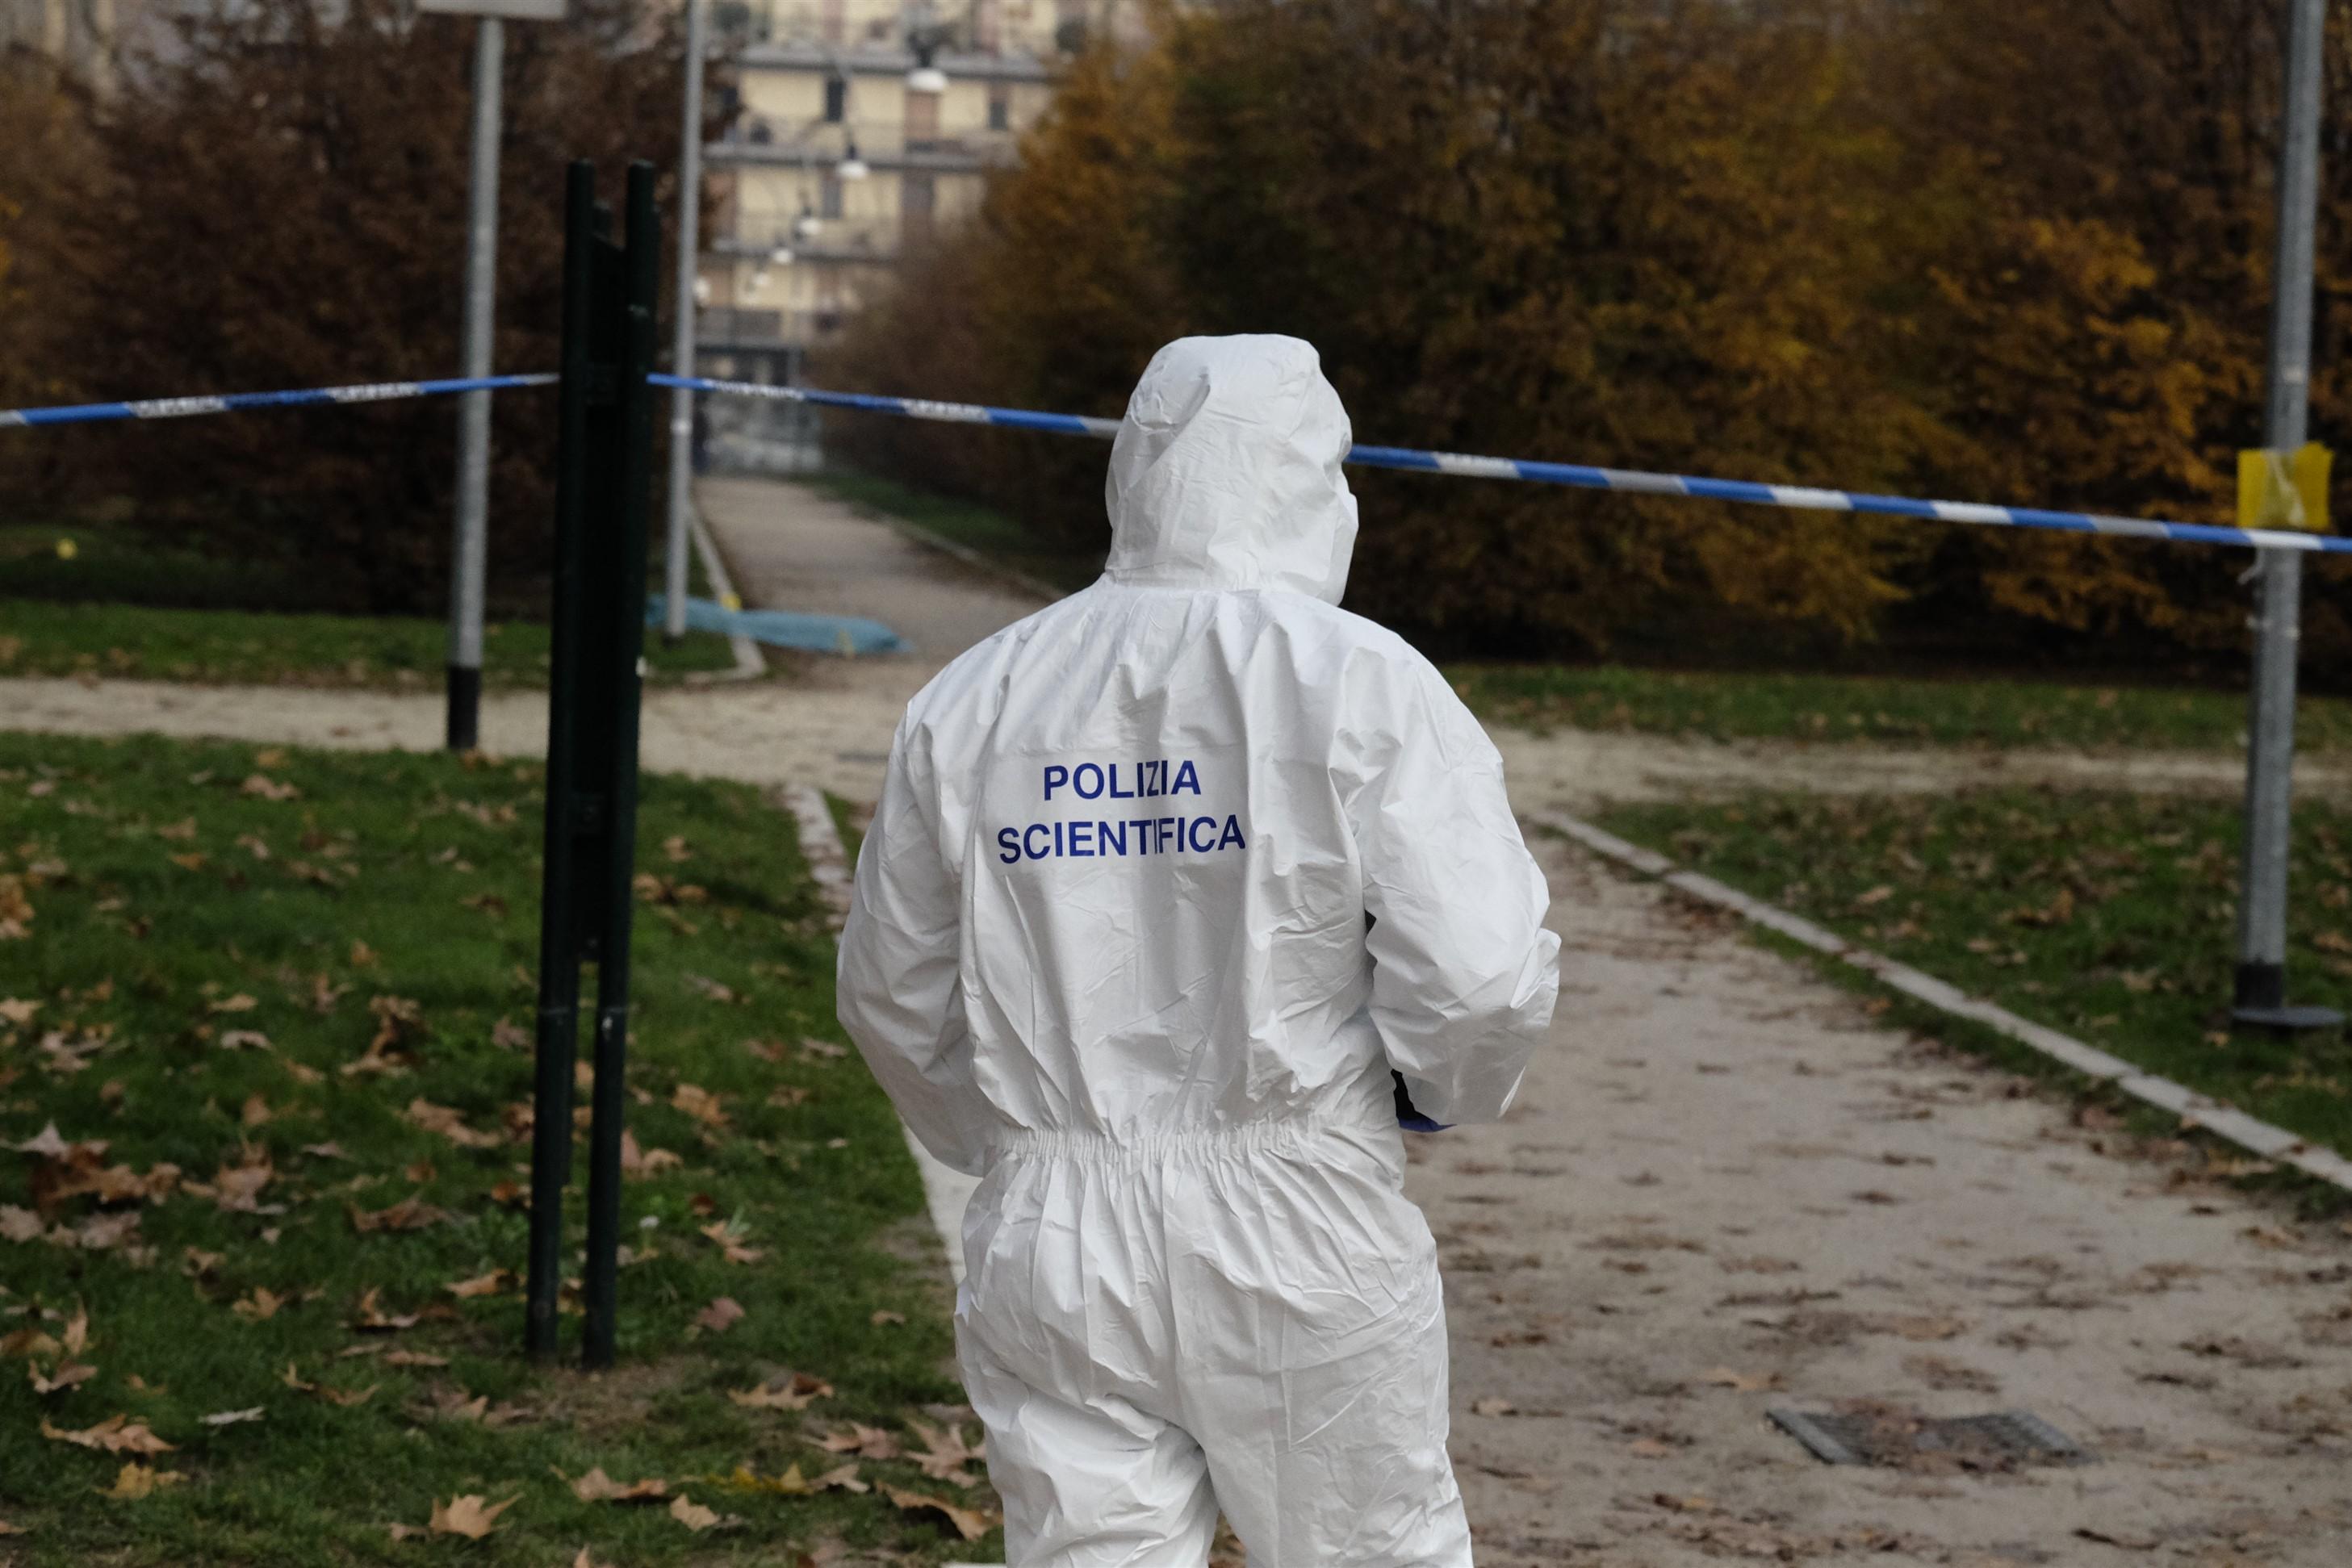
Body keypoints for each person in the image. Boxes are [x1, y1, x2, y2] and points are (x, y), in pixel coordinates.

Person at [837, 334, 1560, 1566]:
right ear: (1314, 482)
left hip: (1054, 1235)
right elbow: (1481, 972)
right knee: (1366, 1551)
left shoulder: (977, 696)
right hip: (1299, 1221)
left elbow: (889, 996)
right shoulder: (1365, 682)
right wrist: (1436, 1094)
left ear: (1134, 475)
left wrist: (1008, 1147)